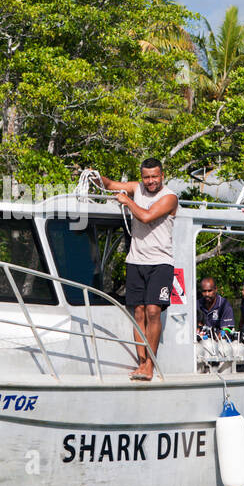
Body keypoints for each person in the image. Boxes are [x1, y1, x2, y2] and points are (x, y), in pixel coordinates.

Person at [89, 159, 178, 381]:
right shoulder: (136, 188)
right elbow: (110, 185)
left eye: (154, 177)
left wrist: (127, 201)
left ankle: (150, 365)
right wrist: (96, 176)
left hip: (160, 262)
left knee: (153, 311)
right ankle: (140, 363)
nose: (150, 181)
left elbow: (146, 216)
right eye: (146, 177)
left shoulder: (169, 197)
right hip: (136, 261)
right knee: (138, 312)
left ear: (162, 176)